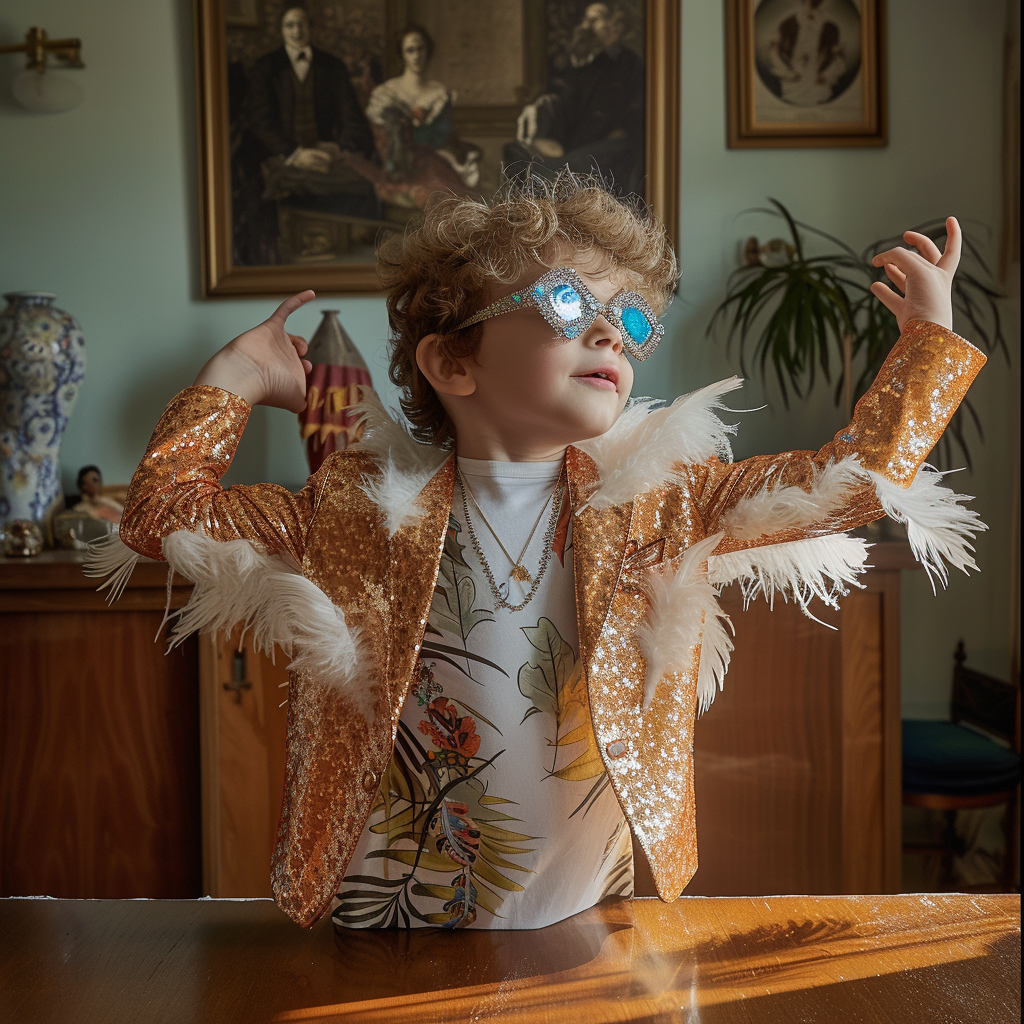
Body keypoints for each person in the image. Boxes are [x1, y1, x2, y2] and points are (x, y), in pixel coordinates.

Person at [91, 174, 985, 930]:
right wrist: (236, 377)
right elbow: (163, 511)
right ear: (452, 364)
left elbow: (853, 482)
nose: (610, 333)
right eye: (567, 303)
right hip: (390, 912)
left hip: (582, 914)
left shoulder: (663, 502)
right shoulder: (356, 511)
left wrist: (927, 346)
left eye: (630, 321)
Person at [245, 6, 378, 217]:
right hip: (283, 156)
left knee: (365, 187)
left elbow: (352, 116)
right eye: (290, 25)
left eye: (302, 24)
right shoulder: (265, 68)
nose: (297, 31)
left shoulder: (333, 66)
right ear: (281, 29)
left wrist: (336, 148)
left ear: (311, 28)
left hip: (326, 155)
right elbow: (260, 122)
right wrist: (294, 153)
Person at [505, 3, 645, 193]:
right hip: (577, 146)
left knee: (557, 170)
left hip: (611, 150)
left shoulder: (631, 64)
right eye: (585, 19)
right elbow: (568, 109)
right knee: (518, 155)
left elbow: (632, 120)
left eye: (594, 19)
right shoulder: (585, 67)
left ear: (615, 26)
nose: (585, 26)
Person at [342, 25, 481, 211]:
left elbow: (445, 135)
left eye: (420, 49)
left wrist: (456, 155)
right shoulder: (387, 92)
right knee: (435, 193)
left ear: (428, 51)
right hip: (401, 165)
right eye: (410, 50)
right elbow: (377, 137)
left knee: (455, 197)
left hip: (435, 161)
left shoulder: (439, 93)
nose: (416, 55)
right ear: (402, 54)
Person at [764, 0, 849, 106]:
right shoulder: (788, 24)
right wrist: (789, 73)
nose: (811, 3)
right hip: (794, 76)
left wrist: (825, 75)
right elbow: (777, 52)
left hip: (818, 75)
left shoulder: (831, 27)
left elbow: (837, 57)